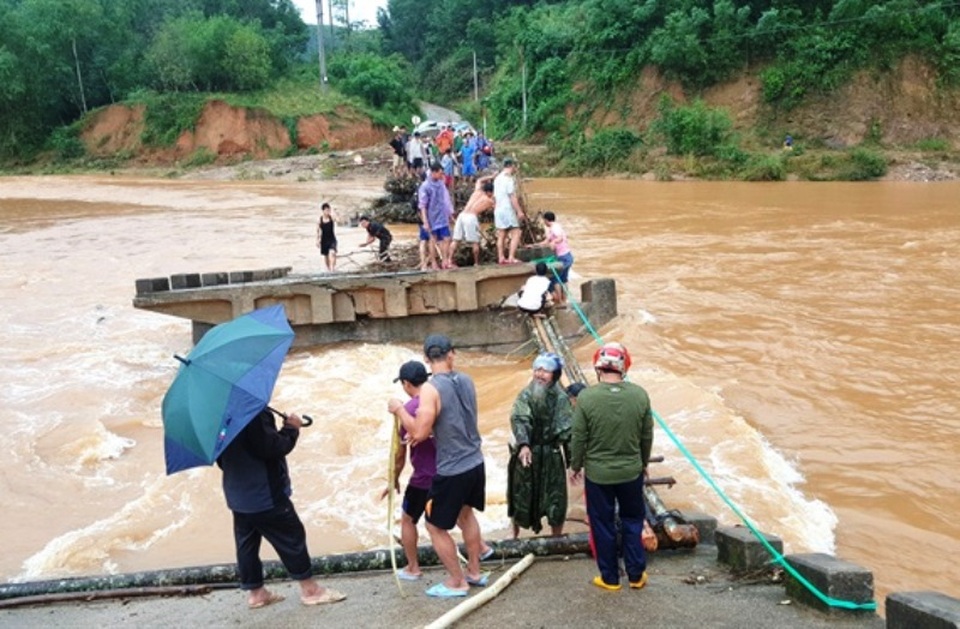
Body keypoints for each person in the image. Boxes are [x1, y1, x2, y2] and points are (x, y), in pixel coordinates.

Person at [387, 334, 487, 597]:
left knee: (435, 527)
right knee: (467, 515)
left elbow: (419, 433)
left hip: (452, 468)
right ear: (451, 353)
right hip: (475, 461)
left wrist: (399, 410)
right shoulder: (466, 380)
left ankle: (457, 581)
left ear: (426, 359)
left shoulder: (431, 389)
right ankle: (474, 572)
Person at [217, 407, 346, 609]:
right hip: (264, 492)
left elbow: (220, 459)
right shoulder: (252, 411)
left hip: (237, 494)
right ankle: (310, 590)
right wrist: (291, 429)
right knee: (291, 536)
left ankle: (256, 593)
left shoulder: (214, 415)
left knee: (247, 544)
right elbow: (271, 448)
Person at [569, 342, 654, 592]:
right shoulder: (640, 395)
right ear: (624, 366)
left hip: (598, 475)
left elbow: (579, 437)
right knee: (633, 520)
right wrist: (643, 463)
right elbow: (646, 435)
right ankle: (636, 575)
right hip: (631, 472)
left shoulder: (587, 397)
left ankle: (610, 578)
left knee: (602, 524)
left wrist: (575, 465)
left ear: (598, 367)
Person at [507, 352, 573, 538]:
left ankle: (556, 538)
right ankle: (513, 535)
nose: (540, 374)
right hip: (527, 453)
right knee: (520, 494)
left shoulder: (561, 398)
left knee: (556, 498)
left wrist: (573, 463)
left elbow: (568, 431)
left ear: (555, 375)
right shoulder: (526, 394)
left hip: (551, 455)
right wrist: (524, 444)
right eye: (537, 370)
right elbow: (520, 418)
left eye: (545, 371)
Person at [418, 162, 455, 270]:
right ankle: (433, 262)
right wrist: (425, 221)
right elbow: (423, 205)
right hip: (432, 217)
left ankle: (445, 261)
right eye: (440, 173)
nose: (441, 175)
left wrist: (450, 214)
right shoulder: (425, 186)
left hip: (442, 216)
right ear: (433, 172)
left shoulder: (441, 184)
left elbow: (446, 200)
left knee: (447, 238)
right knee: (432, 239)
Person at [451, 175, 494, 266]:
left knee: (456, 240)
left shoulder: (477, 191)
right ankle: (476, 263)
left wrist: (491, 176)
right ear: (490, 192)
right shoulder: (489, 200)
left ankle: (449, 261)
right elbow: (497, 207)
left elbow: (479, 180)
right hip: (471, 217)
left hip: (462, 215)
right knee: (475, 242)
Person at [537, 211, 573, 307]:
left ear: (546, 220)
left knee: (555, 278)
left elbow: (560, 238)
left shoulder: (555, 228)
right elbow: (546, 241)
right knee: (564, 279)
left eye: (544, 220)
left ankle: (560, 301)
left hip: (563, 257)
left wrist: (554, 242)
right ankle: (564, 300)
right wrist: (534, 245)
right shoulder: (554, 228)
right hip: (567, 256)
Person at [493, 158, 525, 265]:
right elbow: (512, 197)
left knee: (501, 234)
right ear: (512, 166)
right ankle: (511, 257)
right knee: (516, 232)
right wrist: (519, 211)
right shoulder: (508, 179)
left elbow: (494, 197)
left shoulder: (497, 178)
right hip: (507, 209)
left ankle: (501, 257)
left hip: (498, 209)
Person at [316, 202, 338, 272]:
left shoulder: (331, 217)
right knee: (326, 256)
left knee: (332, 253)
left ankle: (332, 269)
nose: (328, 212)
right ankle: (329, 270)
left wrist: (336, 213)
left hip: (332, 239)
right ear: (323, 211)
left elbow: (338, 220)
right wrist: (318, 240)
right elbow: (318, 231)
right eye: (326, 210)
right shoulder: (320, 220)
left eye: (329, 210)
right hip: (324, 240)